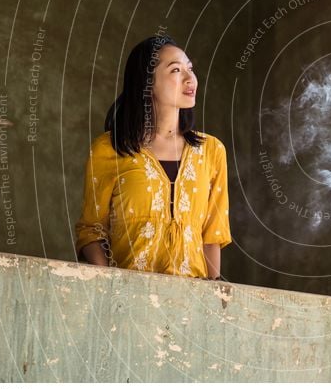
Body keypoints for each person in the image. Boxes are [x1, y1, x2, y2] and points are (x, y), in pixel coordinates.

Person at [75, 35, 232, 279]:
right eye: (176, 70)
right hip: (124, 300)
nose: (190, 79)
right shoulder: (108, 148)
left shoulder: (212, 151)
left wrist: (213, 300)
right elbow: (91, 231)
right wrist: (107, 286)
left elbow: (212, 236)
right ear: (147, 83)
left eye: (190, 69)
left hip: (192, 302)